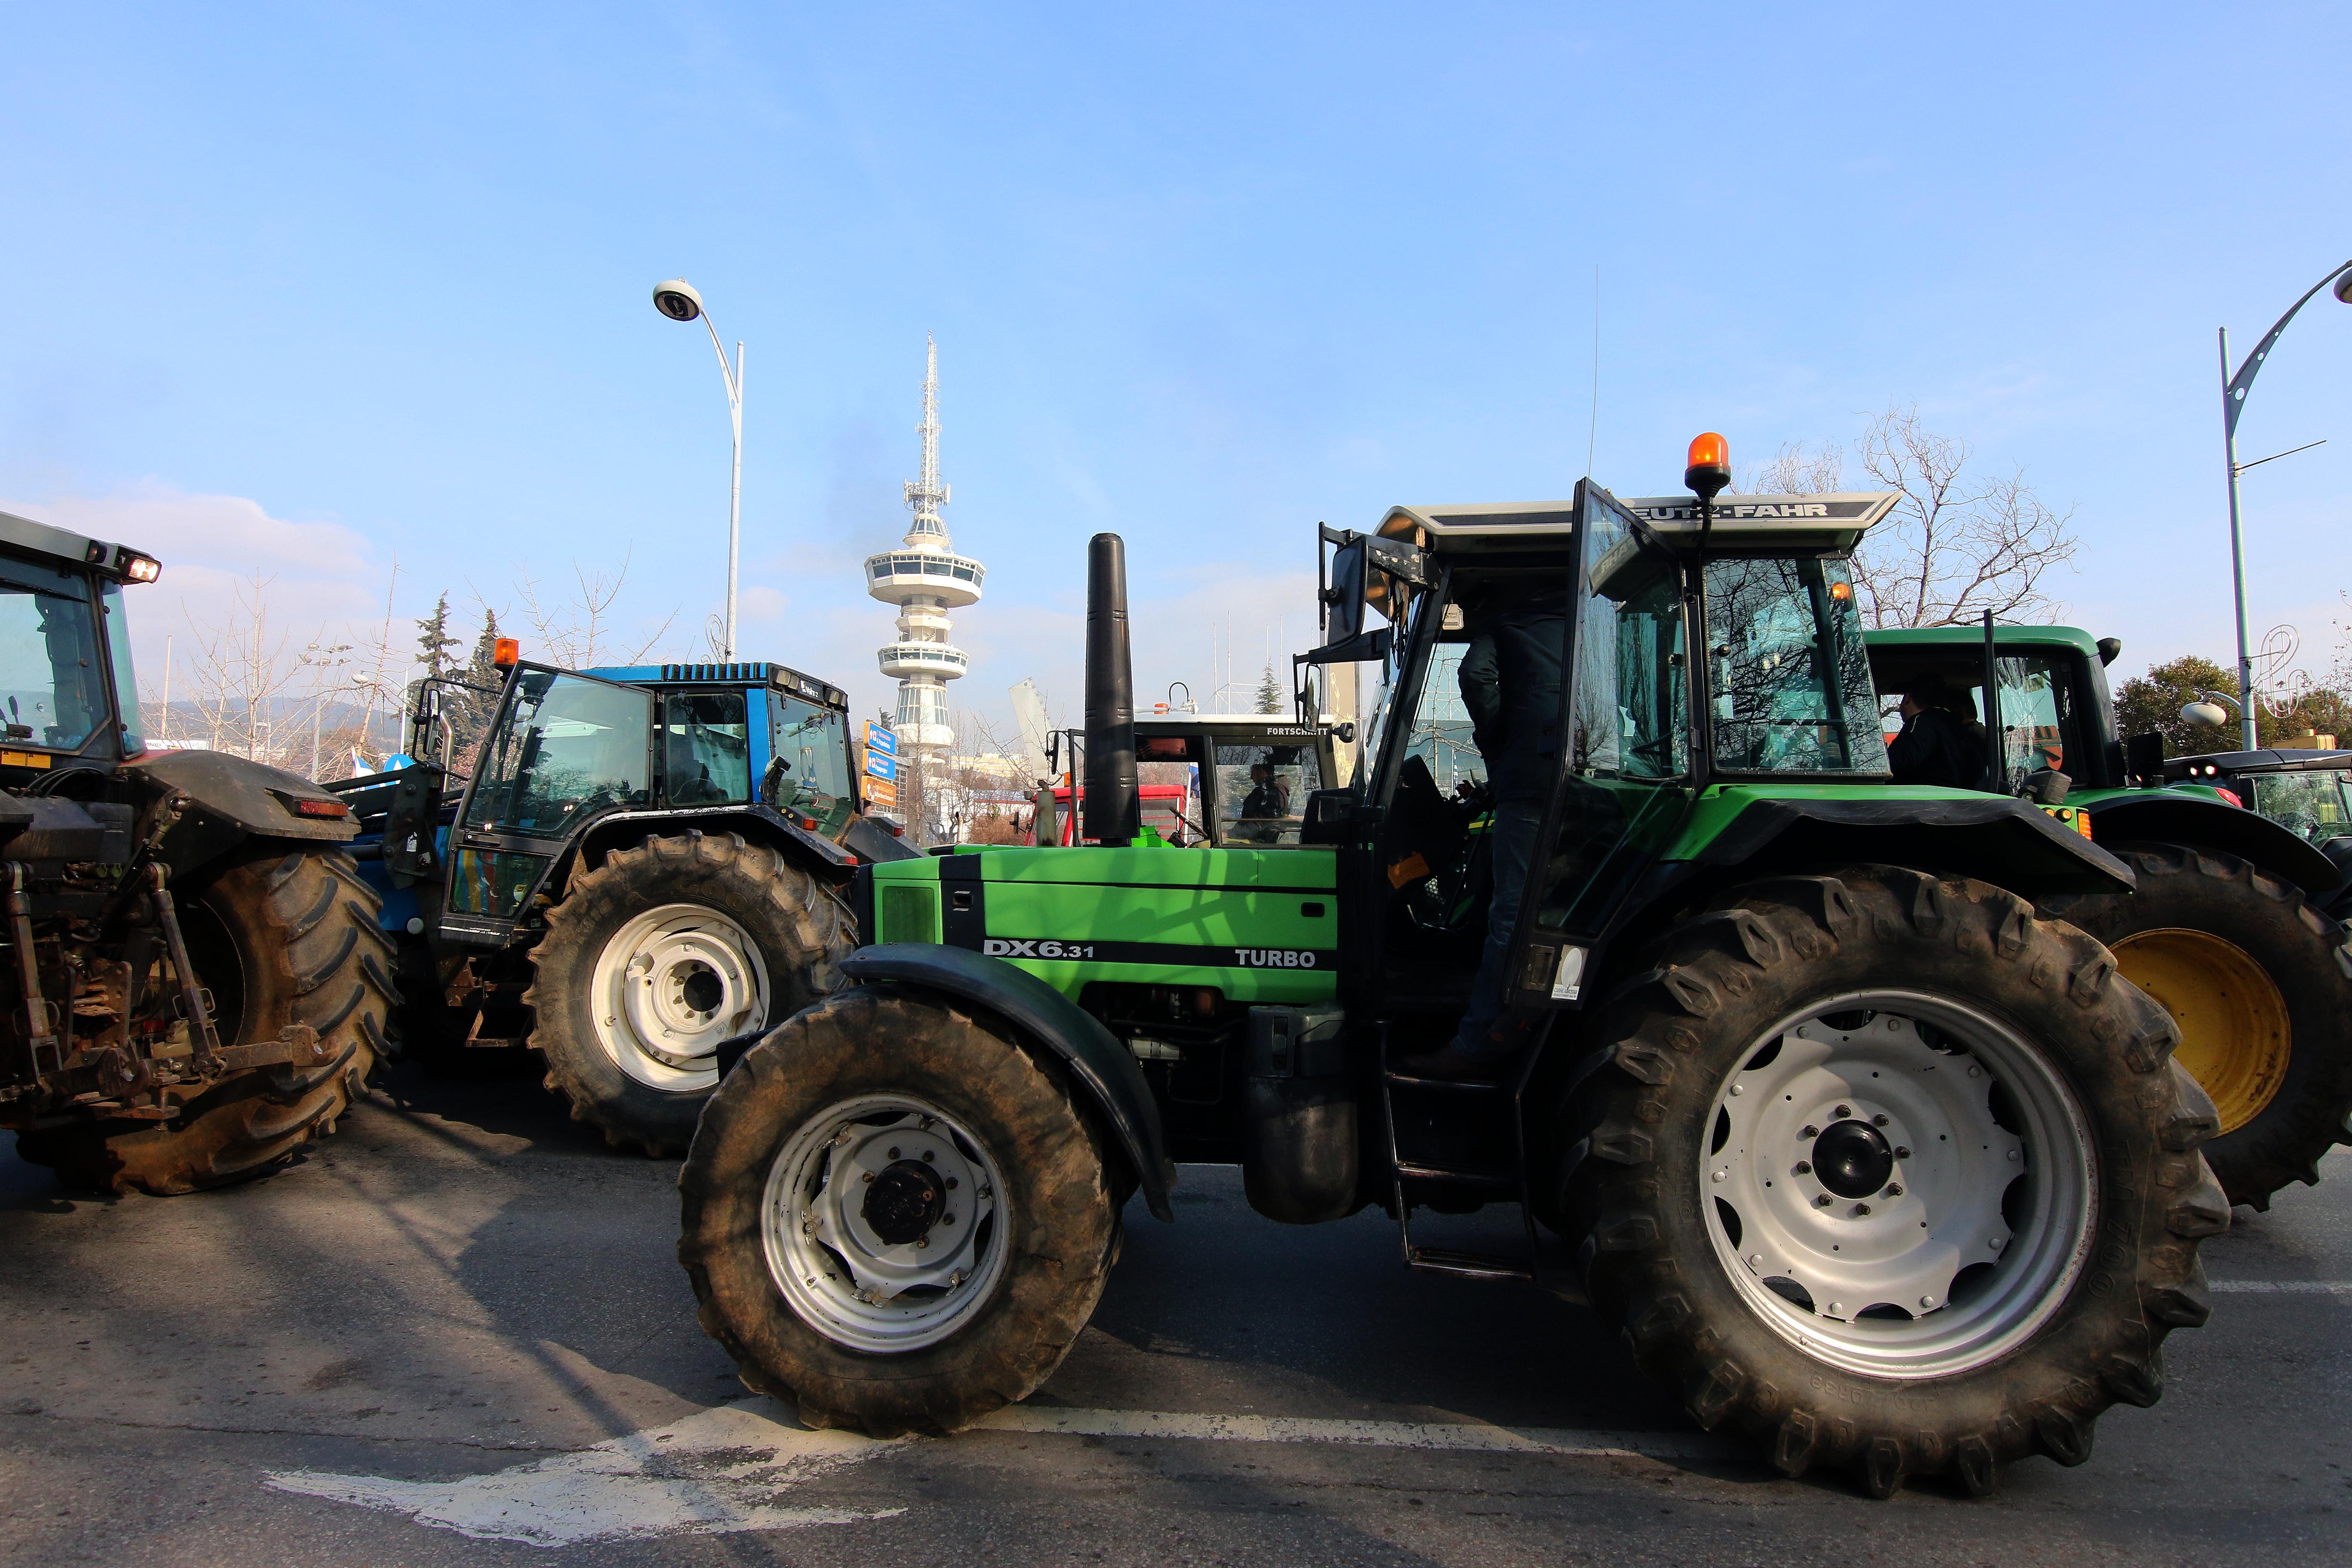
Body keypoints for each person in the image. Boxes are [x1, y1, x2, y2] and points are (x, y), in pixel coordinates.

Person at [1394, 578, 1571, 1081]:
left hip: (1533, 780)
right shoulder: (1598, 624)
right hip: (1594, 773)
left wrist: (1499, 744)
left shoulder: (1507, 625)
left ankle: (1476, 1043)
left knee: (1513, 913)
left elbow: (1476, 676)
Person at [1887, 680, 1991, 791]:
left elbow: (1899, 761)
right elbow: (1976, 764)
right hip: (1955, 799)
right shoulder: (1956, 726)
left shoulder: (1921, 722)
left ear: (1908, 698)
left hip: (1919, 801)